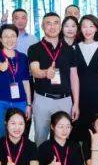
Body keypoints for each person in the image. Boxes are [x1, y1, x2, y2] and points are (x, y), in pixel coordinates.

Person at [28, 12, 80, 144]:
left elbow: (74, 77)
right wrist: (45, 73)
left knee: (63, 139)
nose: (52, 26)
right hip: (43, 99)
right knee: (40, 138)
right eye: (48, 23)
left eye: (56, 23)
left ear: (60, 26)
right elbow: (35, 71)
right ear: (42, 26)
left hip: (65, 100)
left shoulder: (69, 50)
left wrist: (76, 104)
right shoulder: (34, 48)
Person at [71, 15, 98, 145]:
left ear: (96, 29)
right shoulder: (74, 48)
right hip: (79, 94)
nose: (87, 30)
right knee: (79, 128)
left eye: (91, 26)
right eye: (84, 26)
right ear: (80, 29)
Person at [0, 25, 32, 139]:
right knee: (0, 133)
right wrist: (1, 66)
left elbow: (26, 82)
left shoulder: (23, 57)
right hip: (0, 101)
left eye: (13, 36)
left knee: (19, 133)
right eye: (6, 36)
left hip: (20, 101)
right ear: (0, 39)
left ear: (17, 38)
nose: (10, 39)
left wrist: (28, 104)